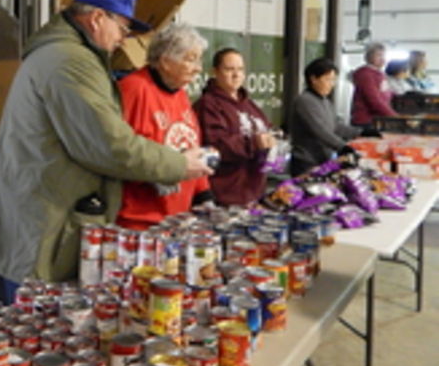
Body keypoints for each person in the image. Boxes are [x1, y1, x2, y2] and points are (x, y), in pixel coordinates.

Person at [0, 0, 212, 299]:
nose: (123, 40)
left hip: (37, 222)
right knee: (30, 328)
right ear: (97, 19)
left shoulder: (64, 54)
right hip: (39, 230)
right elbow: (109, 145)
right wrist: (179, 164)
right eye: (123, 28)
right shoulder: (72, 61)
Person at [117, 22, 213, 229]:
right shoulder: (134, 89)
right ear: (165, 61)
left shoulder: (179, 92)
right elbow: (120, 151)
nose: (198, 68)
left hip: (178, 219)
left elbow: (192, 147)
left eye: (199, 60)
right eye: (190, 59)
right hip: (140, 221)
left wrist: (204, 197)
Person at [193, 47, 275, 206]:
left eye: (240, 69)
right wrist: (253, 143)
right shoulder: (208, 104)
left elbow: (267, 129)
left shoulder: (249, 104)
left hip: (254, 192)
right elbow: (216, 146)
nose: (236, 74)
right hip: (225, 196)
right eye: (229, 69)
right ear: (215, 72)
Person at [289, 58, 363, 176]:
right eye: (328, 79)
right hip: (306, 162)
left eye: (333, 80)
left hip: (323, 160)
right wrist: (342, 146)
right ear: (313, 79)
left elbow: (336, 126)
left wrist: (361, 133)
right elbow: (320, 131)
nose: (332, 84)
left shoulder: (325, 101)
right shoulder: (305, 101)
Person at [350, 42, 397, 126]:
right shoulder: (365, 74)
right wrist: (394, 117)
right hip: (365, 121)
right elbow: (373, 100)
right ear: (368, 56)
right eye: (379, 55)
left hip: (378, 119)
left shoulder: (379, 74)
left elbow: (386, 92)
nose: (382, 59)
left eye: (384, 55)